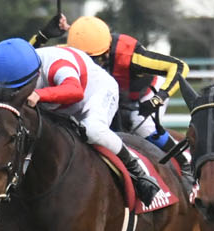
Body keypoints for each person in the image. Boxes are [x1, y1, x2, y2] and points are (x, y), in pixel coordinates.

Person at [0, 36, 160, 206]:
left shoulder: (56, 63)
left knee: (92, 131)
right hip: (57, 102)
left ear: (35, 75)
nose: (13, 93)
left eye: (19, 88)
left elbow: (75, 90)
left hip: (94, 93)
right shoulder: (8, 78)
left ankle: (138, 173)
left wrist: (41, 95)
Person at [35, 13, 188, 155]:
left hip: (144, 93)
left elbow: (179, 66)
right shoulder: (68, 52)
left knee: (141, 124)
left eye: (94, 58)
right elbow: (27, 61)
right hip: (111, 95)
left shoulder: (130, 54)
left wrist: (158, 98)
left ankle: (183, 162)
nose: (87, 62)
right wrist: (43, 36)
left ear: (107, 50)